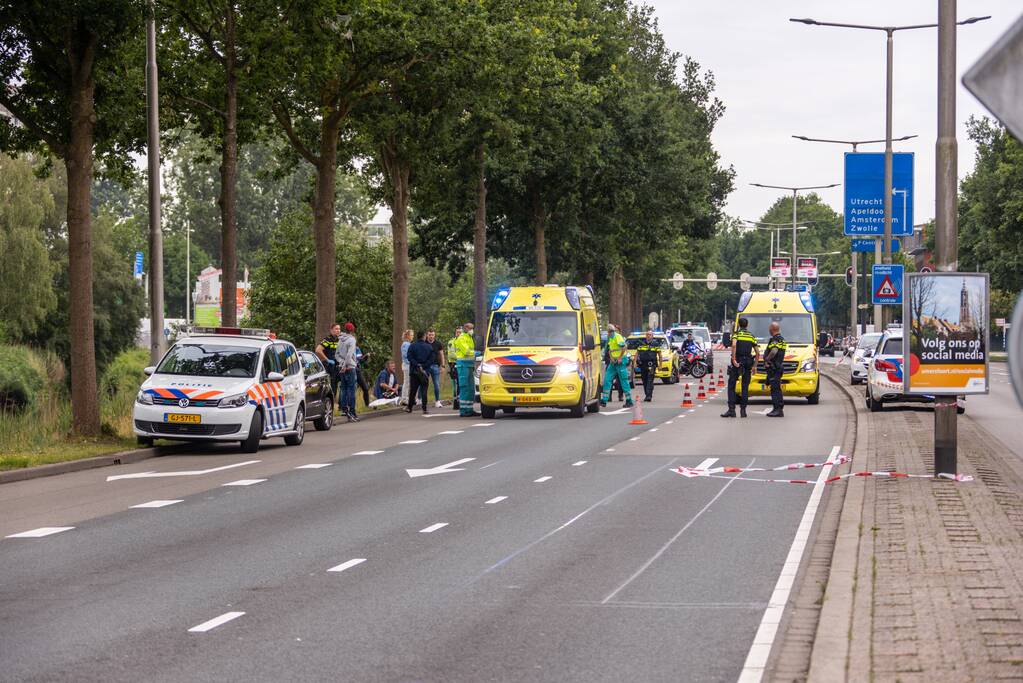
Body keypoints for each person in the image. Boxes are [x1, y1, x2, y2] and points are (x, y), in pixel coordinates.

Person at [721, 317, 759, 418]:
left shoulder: (737, 334)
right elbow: (758, 353)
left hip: (737, 362)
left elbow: (733, 345)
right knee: (745, 387)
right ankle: (743, 411)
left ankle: (731, 410)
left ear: (739, 325)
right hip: (748, 362)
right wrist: (754, 366)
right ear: (747, 325)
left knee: (732, 385)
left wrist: (733, 359)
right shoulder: (751, 336)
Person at [600, 324, 633, 408]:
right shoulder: (610, 337)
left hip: (620, 362)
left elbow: (624, 347)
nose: (608, 333)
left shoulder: (617, 337)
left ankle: (629, 400)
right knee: (607, 379)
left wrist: (619, 358)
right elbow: (610, 350)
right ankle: (604, 400)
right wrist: (611, 358)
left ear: (611, 331)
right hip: (613, 362)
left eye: (608, 331)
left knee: (623, 380)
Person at [453, 321, 480, 417]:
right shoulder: (461, 338)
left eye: (472, 328)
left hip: (469, 365)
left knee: (470, 389)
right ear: (466, 329)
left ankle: (469, 409)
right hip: (463, 366)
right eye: (470, 328)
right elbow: (466, 351)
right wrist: (477, 353)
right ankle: (463, 410)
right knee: (464, 388)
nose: (472, 330)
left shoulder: (469, 337)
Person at [405, 331, 435, 414]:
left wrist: (417, 364)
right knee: (424, 390)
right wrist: (424, 366)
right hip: (425, 371)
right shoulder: (429, 347)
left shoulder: (412, 346)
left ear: (417, 337)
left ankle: (409, 407)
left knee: (413, 390)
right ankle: (424, 408)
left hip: (414, 371)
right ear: (424, 336)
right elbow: (432, 359)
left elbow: (409, 357)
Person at [335, 322, 359, 422]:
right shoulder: (352, 340)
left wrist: (341, 364)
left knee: (343, 389)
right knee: (351, 390)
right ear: (352, 330)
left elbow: (337, 355)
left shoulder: (340, 340)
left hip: (342, 368)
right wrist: (345, 365)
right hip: (350, 367)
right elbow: (349, 355)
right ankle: (352, 411)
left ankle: (344, 409)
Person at [315, 323, 341, 410]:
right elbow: (318, 350)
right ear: (331, 330)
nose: (338, 331)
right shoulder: (327, 340)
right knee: (330, 387)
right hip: (329, 366)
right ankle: (328, 408)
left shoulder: (339, 340)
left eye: (339, 329)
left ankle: (336, 407)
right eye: (336, 329)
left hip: (337, 366)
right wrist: (327, 359)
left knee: (337, 386)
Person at [764, 321, 787, 418]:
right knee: (777, 388)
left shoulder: (775, 340)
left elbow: (774, 351)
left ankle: (777, 409)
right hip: (778, 367)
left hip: (774, 368)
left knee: (775, 389)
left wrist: (767, 359)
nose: (769, 330)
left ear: (772, 329)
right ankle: (778, 409)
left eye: (770, 328)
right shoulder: (782, 339)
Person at [635, 329, 661, 402]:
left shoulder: (655, 344)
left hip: (652, 364)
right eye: (647, 334)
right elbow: (637, 353)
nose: (648, 336)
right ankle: (647, 394)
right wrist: (634, 363)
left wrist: (660, 365)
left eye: (650, 334)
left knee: (650, 380)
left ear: (652, 336)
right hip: (643, 364)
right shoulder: (642, 343)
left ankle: (649, 396)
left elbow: (660, 354)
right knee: (644, 380)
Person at [426, 329, 445, 409]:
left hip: (435, 366)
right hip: (425, 366)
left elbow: (441, 354)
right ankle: (420, 399)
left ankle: (437, 401)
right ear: (427, 335)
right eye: (429, 335)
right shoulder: (424, 343)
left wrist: (443, 365)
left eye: (432, 335)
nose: (431, 336)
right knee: (422, 383)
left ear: (434, 335)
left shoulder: (438, 343)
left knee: (436, 384)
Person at [446, 326, 463, 408]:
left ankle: (460, 401)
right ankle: (456, 403)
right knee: (456, 384)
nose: (459, 334)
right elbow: (451, 354)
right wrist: (462, 357)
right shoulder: (451, 342)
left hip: (463, 364)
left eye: (460, 332)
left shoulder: (464, 342)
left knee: (461, 384)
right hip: (454, 365)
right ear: (455, 333)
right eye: (457, 332)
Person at [399, 329, 414, 406]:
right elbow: (406, 356)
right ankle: (404, 398)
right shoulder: (406, 344)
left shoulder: (408, 344)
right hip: (407, 365)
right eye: (411, 335)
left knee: (408, 382)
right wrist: (411, 361)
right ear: (407, 336)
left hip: (408, 365)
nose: (412, 337)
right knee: (406, 382)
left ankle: (406, 398)